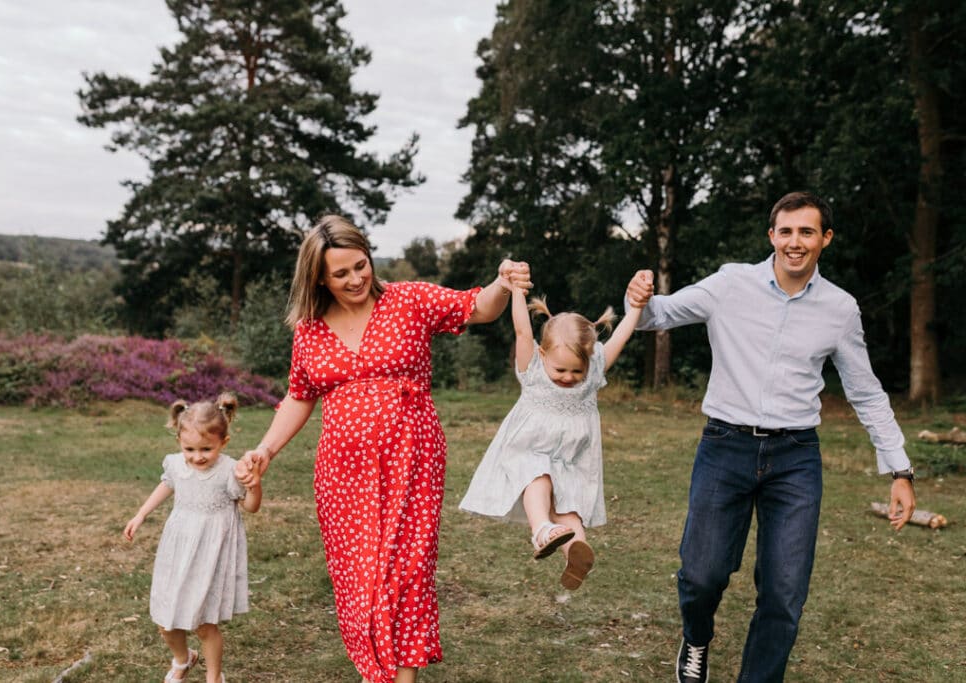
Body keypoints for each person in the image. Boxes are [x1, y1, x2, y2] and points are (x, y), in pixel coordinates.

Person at [625, 191, 916, 683]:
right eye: (786, 231)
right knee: (702, 575)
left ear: (825, 238)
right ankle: (696, 638)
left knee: (784, 593)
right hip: (725, 445)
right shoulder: (730, 284)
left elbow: (866, 392)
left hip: (795, 457)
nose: (794, 242)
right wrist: (638, 296)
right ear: (771, 236)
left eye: (807, 232)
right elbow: (658, 316)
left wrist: (900, 469)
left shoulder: (840, 309)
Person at [234, 215, 532, 683]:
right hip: (342, 472)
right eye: (341, 273)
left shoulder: (408, 300)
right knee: (360, 579)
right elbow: (299, 394)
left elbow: (478, 308)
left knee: (407, 571)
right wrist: (265, 451)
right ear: (319, 278)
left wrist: (501, 282)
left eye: (361, 265)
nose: (355, 279)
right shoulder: (310, 330)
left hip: (411, 457)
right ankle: (377, 671)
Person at [459, 282, 644, 590]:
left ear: (589, 362)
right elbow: (521, 330)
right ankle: (543, 529)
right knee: (538, 476)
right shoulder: (531, 366)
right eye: (561, 370)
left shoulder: (593, 368)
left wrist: (635, 309)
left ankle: (576, 552)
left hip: (571, 456)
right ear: (542, 353)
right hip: (529, 449)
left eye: (577, 372)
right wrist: (516, 291)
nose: (569, 378)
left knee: (569, 506)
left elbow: (620, 338)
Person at [124, 393, 262, 683]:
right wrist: (141, 514)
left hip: (211, 551)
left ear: (222, 443)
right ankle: (183, 659)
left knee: (203, 623)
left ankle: (214, 677)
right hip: (179, 546)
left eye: (206, 449)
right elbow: (167, 485)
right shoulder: (176, 464)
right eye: (189, 448)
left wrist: (254, 486)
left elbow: (251, 507)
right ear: (179, 442)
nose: (197, 456)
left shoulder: (229, 470)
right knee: (166, 620)